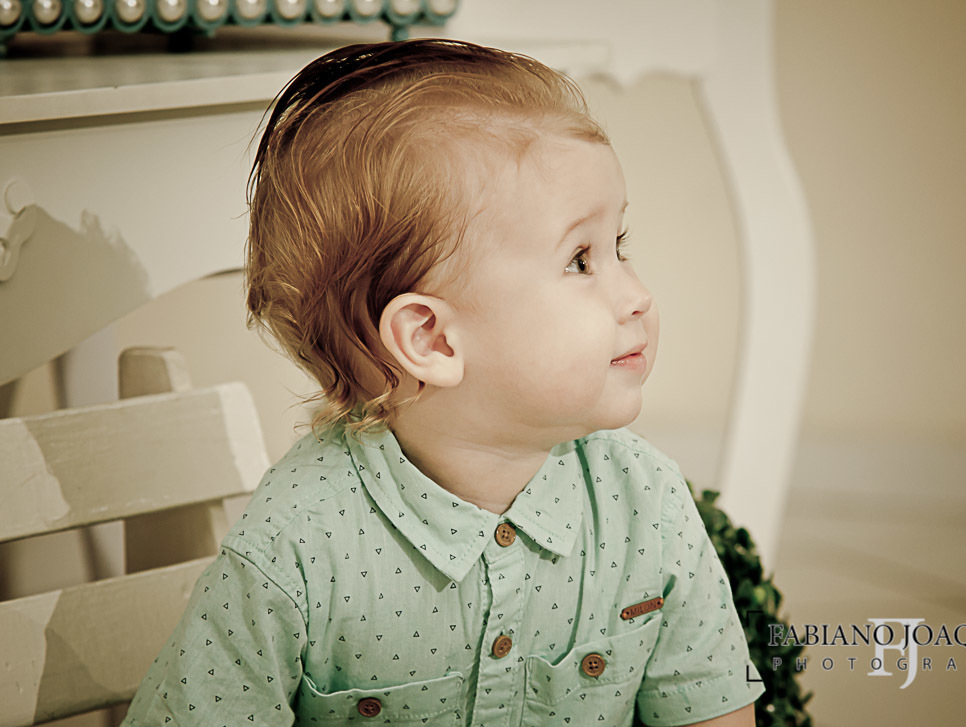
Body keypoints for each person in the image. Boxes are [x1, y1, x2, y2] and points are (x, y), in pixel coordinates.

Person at [123, 39, 763, 726]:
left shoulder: (644, 504)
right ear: (431, 339)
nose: (637, 295)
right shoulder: (298, 545)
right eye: (580, 259)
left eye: (619, 247)